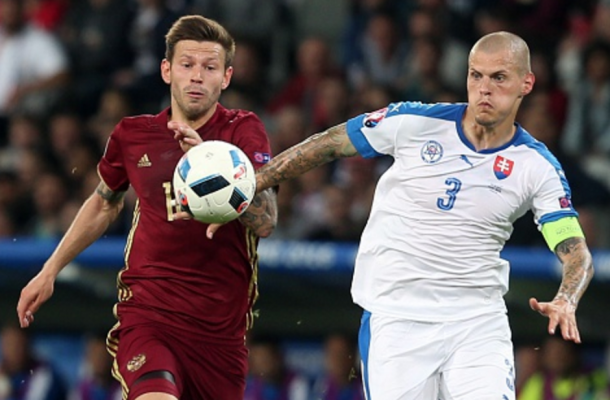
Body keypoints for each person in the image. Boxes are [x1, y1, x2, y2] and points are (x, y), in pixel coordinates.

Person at [210, 31, 593, 399]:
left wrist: (566, 297)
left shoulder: (537, 166)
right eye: (475, 75)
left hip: (477, 322)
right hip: (397, 317)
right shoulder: (416, 122)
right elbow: (329, 144)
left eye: (499, 78)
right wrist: (256, 182)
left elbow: (576, 252)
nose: (484, 89)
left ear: (526, 83)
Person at [17, 14, 278, 400]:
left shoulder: (242, 131)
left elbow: (267, 221)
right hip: (149, 314)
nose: (196, 76)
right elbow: (103, 203)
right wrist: (49, 270)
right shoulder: (133, 135)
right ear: (166, 70)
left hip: (220, 333)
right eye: (187, 65)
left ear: (225, 77)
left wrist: (216, 164)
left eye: (209, 68)